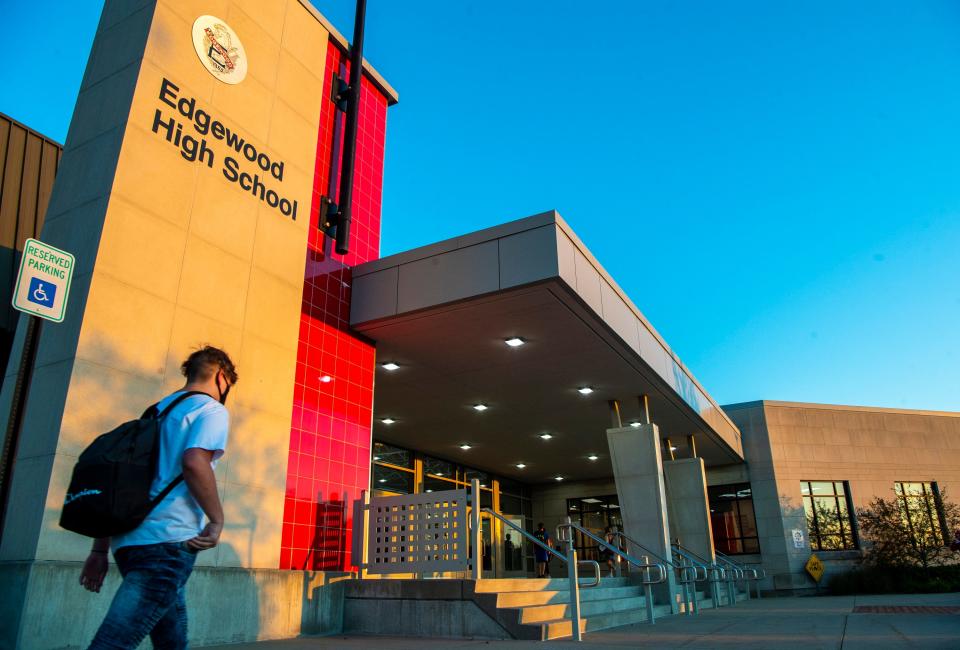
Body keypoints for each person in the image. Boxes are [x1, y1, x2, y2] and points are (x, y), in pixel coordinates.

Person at [80, 346, 237, 649]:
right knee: (112, 643)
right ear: (221, 377)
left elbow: (118, 482)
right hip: (167, 544)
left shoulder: (155, 412)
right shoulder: (210, 410)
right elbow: (194, 461)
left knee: (171, 642)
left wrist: (99, 551)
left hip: (128, 543)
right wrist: (216, 521)